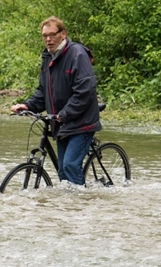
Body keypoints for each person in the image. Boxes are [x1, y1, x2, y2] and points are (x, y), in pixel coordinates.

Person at [10, 17, 102, 186]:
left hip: (82, 122)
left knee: (70, 165)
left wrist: (64, 114)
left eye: (52, 34)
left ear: (63, 34)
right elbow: (43, 90)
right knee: (62, 170)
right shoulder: (48, 57)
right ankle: (67, 207)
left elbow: (85, 91)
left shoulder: (77, 54)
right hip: (62, 123)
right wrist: (28, 105)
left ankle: (81, 206)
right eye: (44, 35)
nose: (48, 39)